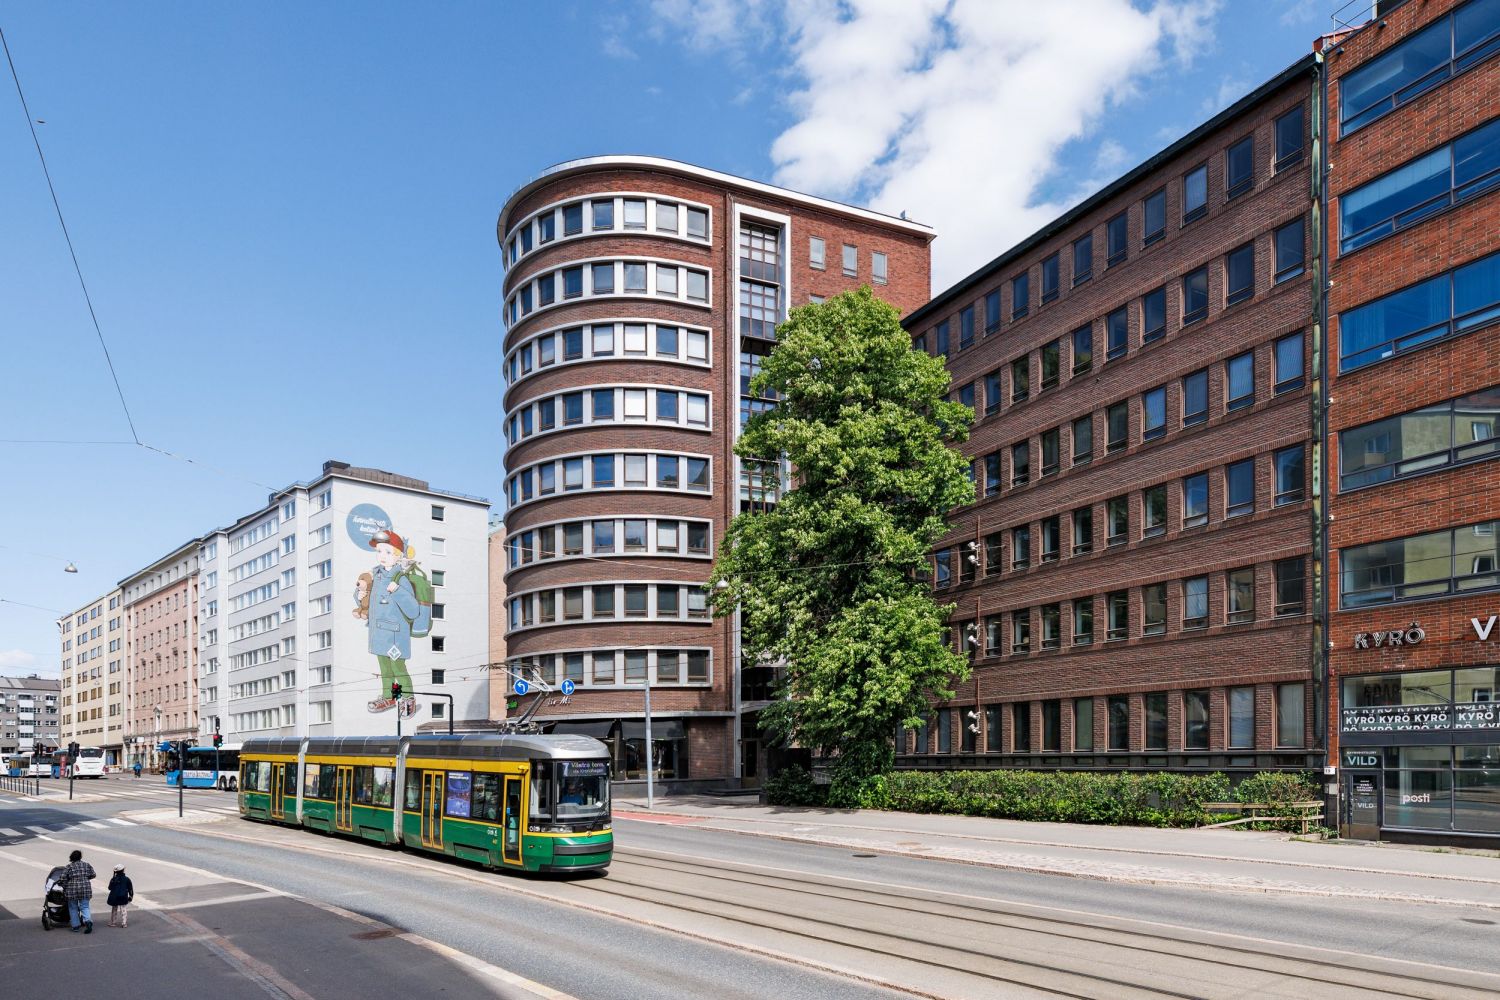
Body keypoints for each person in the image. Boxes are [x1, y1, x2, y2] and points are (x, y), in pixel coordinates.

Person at [357, 530, 417, 700]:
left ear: (398, 555)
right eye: (379, 551)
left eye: (388, 552)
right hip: (379, 634)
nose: (382, 556)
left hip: (395, 636)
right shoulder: (377, 576)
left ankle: (407, 699)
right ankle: (390, 697)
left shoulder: (400, 578)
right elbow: (373, 603)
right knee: (385, 670)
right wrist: (359, 596)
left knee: (398, 669)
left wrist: (397, 590)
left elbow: (413, 610)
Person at [60, 849, 95, 933]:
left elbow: (62, 878)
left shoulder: (69, 866)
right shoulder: (86, 865)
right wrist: (85, 878)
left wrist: (65, 886)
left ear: (71, 857)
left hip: (72, 890)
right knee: (85, 906)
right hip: (85, 888)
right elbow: (93, 874)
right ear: (80, 857)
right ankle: (88, 921)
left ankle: (75, 926)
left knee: (73, 907)